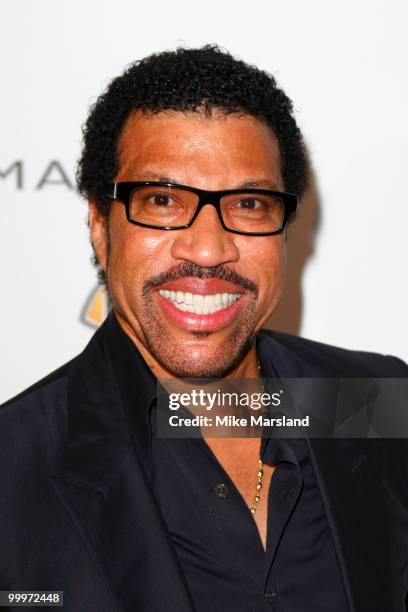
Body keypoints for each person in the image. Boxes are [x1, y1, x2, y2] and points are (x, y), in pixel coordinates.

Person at [0, 45, 407, 612]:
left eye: (248, 203)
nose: (210, 248)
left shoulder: (377, 401)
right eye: (162, 200)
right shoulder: (14, 467)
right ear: (99, 224)